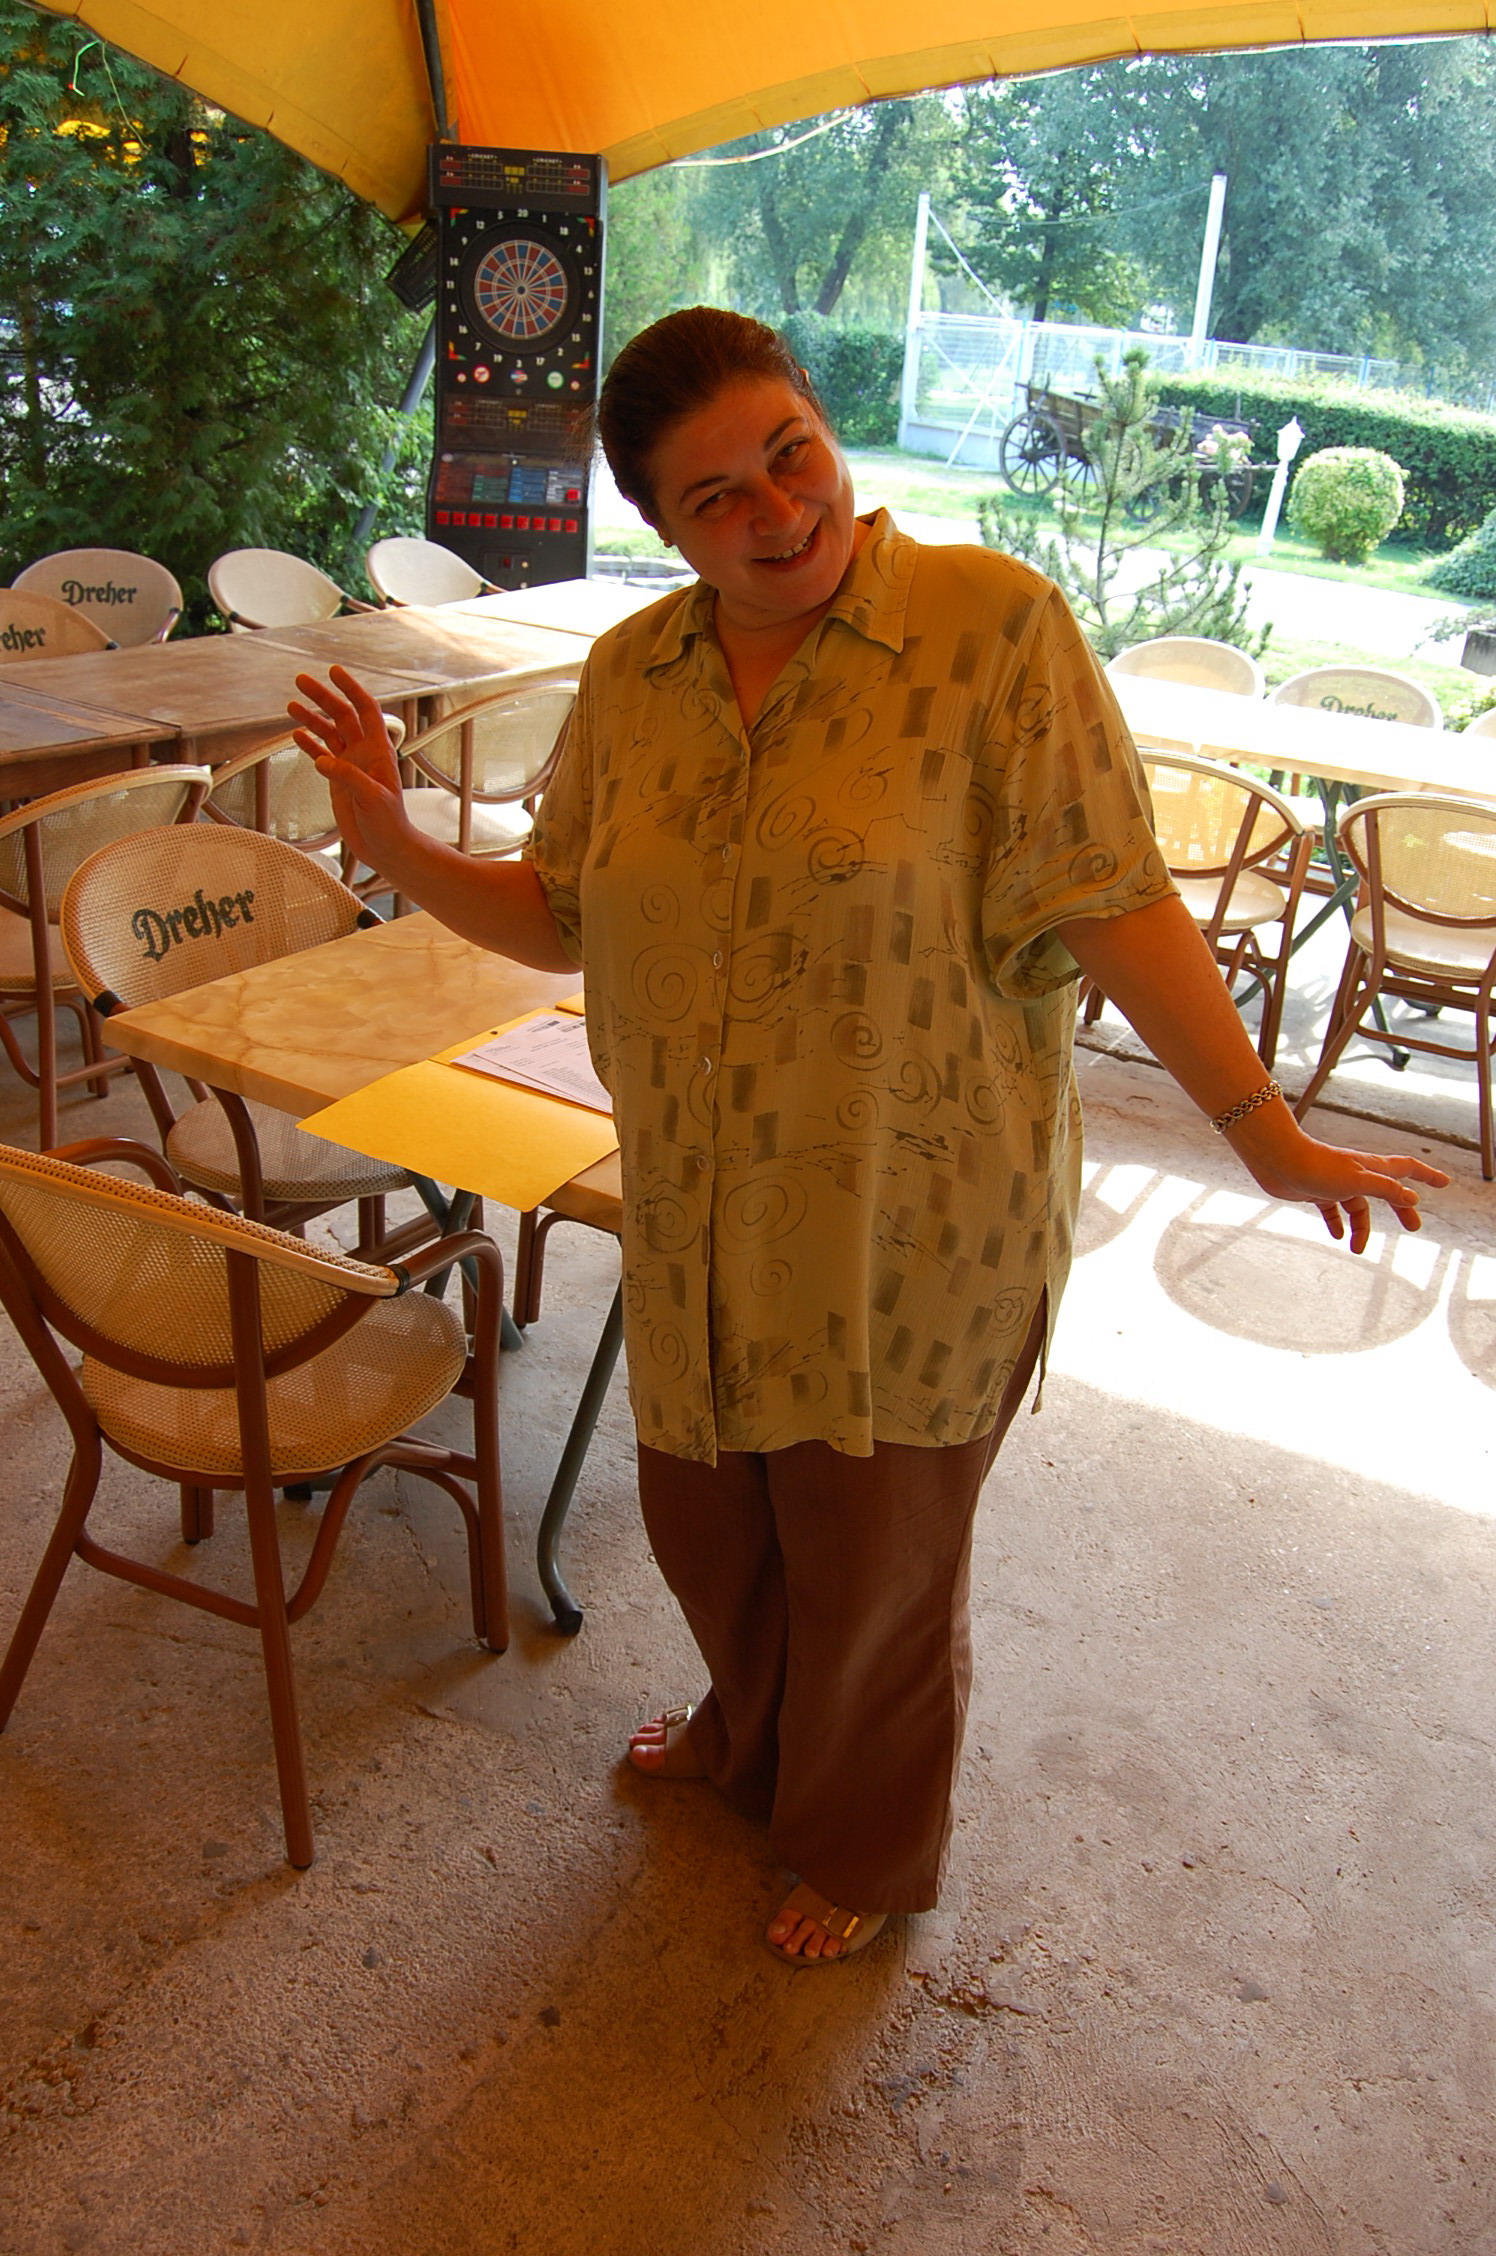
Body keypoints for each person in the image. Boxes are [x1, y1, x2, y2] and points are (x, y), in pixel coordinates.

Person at [288, 307, 1445, 1967]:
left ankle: (864, 1845)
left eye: (792, 455)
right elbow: (560, 911)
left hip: (913, 1229)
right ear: (665, 526)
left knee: (872, 1571)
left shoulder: (991, 629)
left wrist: (1266, 1133)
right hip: (698, 1215)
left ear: (829, 432)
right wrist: (387, 835)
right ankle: (745, 1741)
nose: (778, 511)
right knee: (713, 1536)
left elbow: (1113, 897)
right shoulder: (637, 674)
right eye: (717, 497)